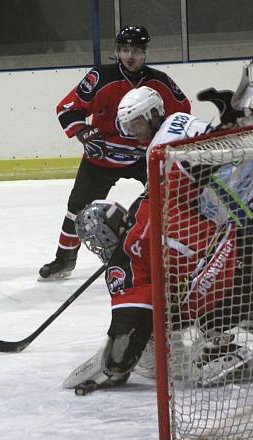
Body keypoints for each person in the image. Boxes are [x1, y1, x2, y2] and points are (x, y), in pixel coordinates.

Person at [64, 76, 253, 392]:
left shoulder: (159, 148)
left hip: (246, 210)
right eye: (127, 127)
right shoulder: (177, 122)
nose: (132, 134)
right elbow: (194, 162)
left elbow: (189, 171)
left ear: (151, 114)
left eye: (135, 125)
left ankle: (232, 341)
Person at [39, 25, 191, 281]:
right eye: (124, 49)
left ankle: (171, 258)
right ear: (118, 52)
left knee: (168, 204)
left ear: (145, 53)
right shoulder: (101, 77)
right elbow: (67, 109)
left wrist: (162, 141)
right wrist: (84, 134)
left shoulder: (160, 82)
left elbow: (182, 112)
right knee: (77, 209)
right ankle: (64, 259)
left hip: (146, 157)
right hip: (102, 158)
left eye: (136, 50)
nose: (130, 55)